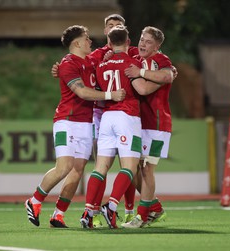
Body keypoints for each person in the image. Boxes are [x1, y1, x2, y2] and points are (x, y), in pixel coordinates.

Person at [24, 25, 126, 228]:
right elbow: (82, 92)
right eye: (86, 38)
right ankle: (34, 201)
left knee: (77, 170)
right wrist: (110, 95)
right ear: (77, 43)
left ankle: (58, 215)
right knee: (64, 167)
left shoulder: (90, 61)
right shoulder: (68, 63)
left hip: (85, 124)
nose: (90, 41)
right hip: (67, 122)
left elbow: (115, 49)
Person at [50, 14, 139, 228]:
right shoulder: (102, 55)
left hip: (106, 115)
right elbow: (77, 68)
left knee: (106, 166)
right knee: (126, 165)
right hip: (103, 113)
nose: (113, 28)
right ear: (106, 31)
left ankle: (106, 211)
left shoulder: (112, 56)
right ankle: (102, 210)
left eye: (118, 25)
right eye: (110, 25)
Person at [80, 25, 160, 229]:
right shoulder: (132, 63)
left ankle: (89, 212)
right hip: (127, 117)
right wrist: (163, 81)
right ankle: (112, 205)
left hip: (107, 117)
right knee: (130, 167)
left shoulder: (101, 65)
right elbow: (142, 89)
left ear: (109, 42)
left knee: (100, 167)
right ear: (127, 41)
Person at [121, 26, 174, 228]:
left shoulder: (162, 60)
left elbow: (168, 75)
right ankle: (155, 209)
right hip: (139, 123)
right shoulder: (136, 55)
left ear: (157, 46)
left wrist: (140, 73)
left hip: (157, 124)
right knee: (133, 169)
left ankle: (142, 216)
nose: (142, 44)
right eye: (142, 39)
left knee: (146, 170)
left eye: (148, 41)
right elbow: (119, 50)